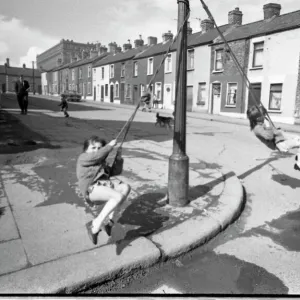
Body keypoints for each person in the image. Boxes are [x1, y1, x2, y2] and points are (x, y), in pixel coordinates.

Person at [76, 136, 131, 244]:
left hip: (104, 187)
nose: (96, 150)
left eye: (99, 148)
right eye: (93, 148)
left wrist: (118, 159)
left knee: (125, 187)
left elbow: (115, 171)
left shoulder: (101, 163)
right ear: (86, 150)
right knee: (118, 196)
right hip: (91, 190)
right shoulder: (83, 158)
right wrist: (109, 146)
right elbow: (96, 156)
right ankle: (94, 225)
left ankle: (109, 223)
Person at [247, 105, 300, 171]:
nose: (265, 115)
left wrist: (277, 129)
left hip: (281, 137)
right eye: (263, 114)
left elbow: (271, 128)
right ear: (258, 118)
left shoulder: (262, 120)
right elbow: (269, 136)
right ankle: (298, 164)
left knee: (298, 138)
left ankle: (298, 157)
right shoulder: (257, 129)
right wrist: (268, 125)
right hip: (279, 143)